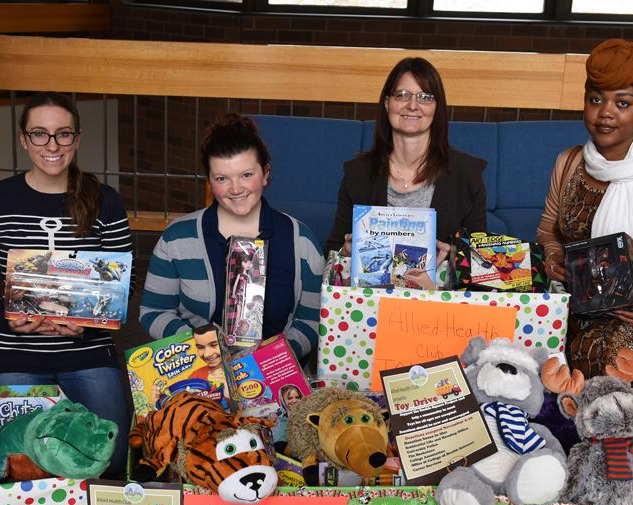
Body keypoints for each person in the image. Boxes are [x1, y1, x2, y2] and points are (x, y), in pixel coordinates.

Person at [0, 91, 134, 477]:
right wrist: (6, 316)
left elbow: (126, 281)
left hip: (89, 351)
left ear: (77, 138)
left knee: (111, 457)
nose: (52, 145)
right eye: (39, 134)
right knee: (12, 463)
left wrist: (89, 323)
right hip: (16, 351)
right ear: (23, 139)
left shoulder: (105, 201)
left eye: (63, 134)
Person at [139, 113, 324, 361]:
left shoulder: (301, 240)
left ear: (265, 173)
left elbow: (313, 319)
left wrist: (276, 358)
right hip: (202, 370)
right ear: (209, 181)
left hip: (275, 373)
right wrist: (201, 348)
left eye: (246, 175)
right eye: (222, 178)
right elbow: (153, 311)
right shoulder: (177, 238)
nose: (236, 189)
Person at [329, 57, 487, 285]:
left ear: (437, 107)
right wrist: (346, 252)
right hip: (370, 301)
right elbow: (332, 251)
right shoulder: (357, 173)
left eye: (425, 97)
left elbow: (480, 263)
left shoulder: (467, 174)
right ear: (387, 103)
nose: (412, 105)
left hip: (437, 303)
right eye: (402, 95)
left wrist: (453, 261)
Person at [537, 39, 633, 379]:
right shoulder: (568, 162)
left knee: (613, 360)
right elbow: (547, 229)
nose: (605, 112)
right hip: (570, 306)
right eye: (595, 99)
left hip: (626, 320)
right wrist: (553, 257)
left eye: (623, 103)